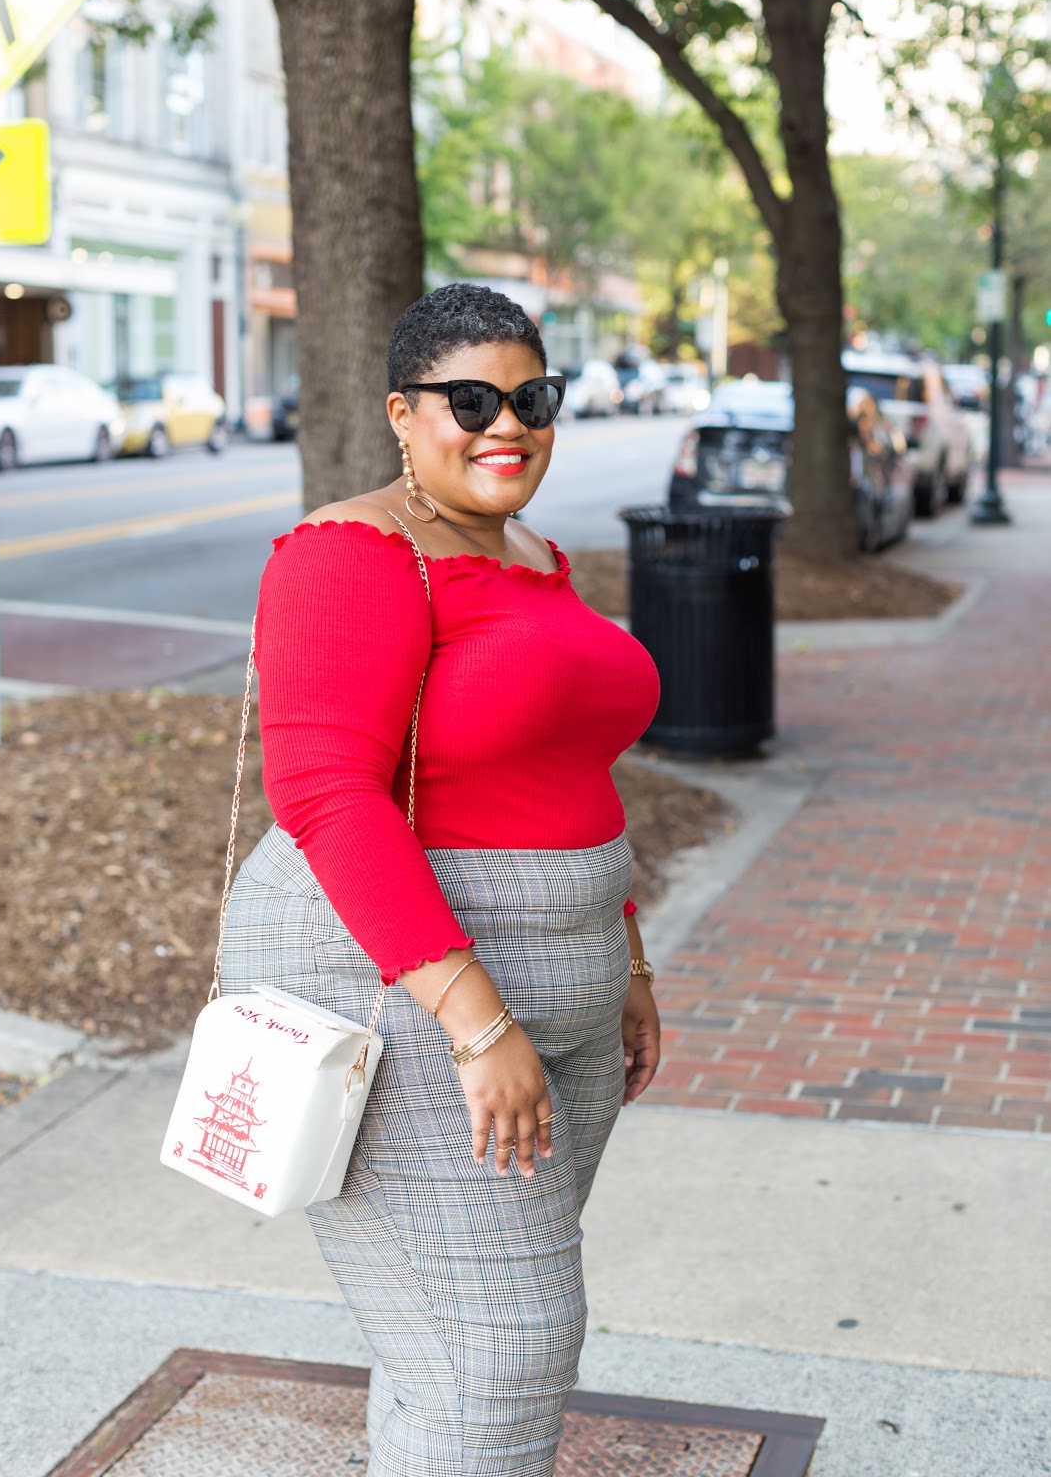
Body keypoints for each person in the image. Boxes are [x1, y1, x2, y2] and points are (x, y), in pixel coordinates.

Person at [220, 282, 662, 1474]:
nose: (503, 422)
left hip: (563, 978)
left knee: (450, 1338)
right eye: (467, 400)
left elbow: (566, 766)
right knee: (499, 1348)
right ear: (400, 414)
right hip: (403, 984)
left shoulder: (534, 555)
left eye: (530, 398)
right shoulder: (351, 552)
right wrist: (477, 1023)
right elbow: (326, 795)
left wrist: (622, 956)